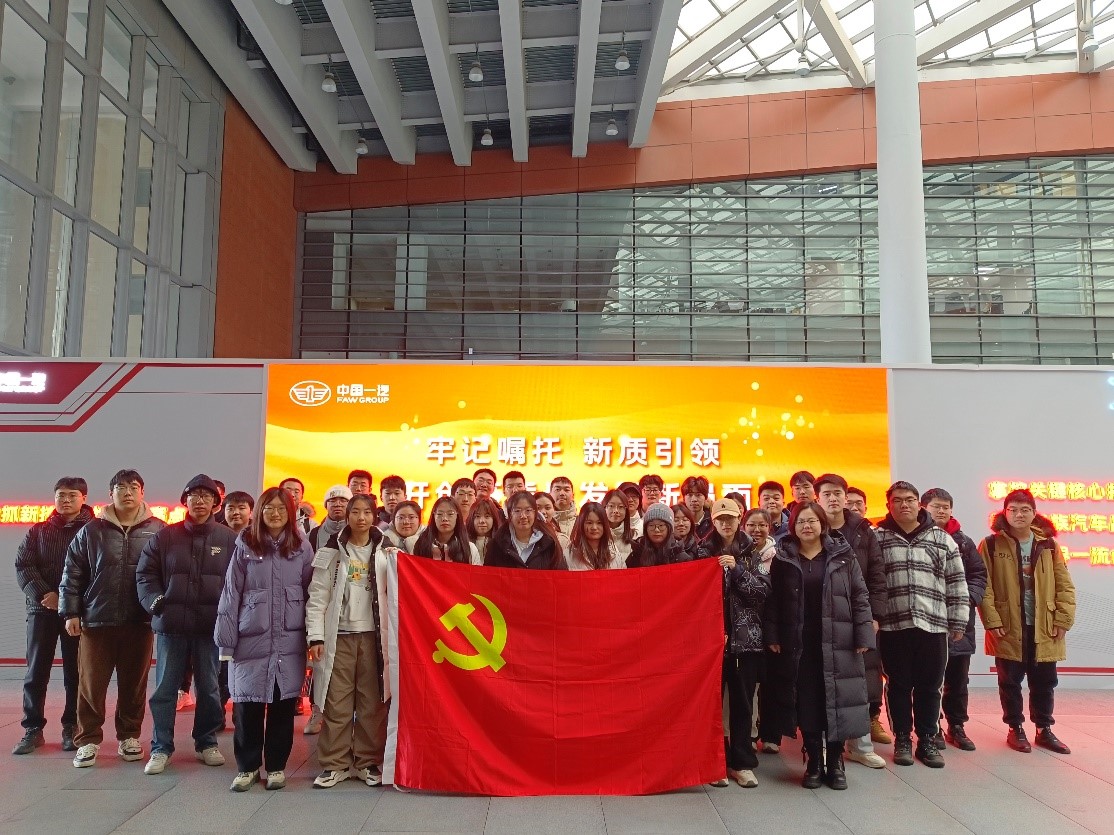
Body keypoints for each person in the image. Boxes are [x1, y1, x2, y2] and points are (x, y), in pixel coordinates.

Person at [764, 502, 874, 791]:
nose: (807, 526)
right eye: (801, 521)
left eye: (812, 520)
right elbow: (773, 601)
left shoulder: (842, 555)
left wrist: (864, 635)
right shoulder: (784, 558)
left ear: (823, 524)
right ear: (793, 526)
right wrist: (773, 635)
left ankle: (835, 762)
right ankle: (813, 760)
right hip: (800, 643)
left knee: (837, 701)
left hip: (839, 640)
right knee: (808, 701)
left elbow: (860, 595)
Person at [60, 469, 165, 768]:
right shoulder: (92, 530)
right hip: (97, 620)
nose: (127, 492)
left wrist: (160, 610)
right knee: (91, 685)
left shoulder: (158, 530)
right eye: (121, 487)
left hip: (139, 621)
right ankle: (87, 740)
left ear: (142, 492)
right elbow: (72, 572)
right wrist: (71, 612)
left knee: (134, 685)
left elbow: (165, 573)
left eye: (133, 487)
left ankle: (129, 736)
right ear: (111, 494)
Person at [215, 487, 314, 792]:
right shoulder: (245, 545)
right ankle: (247, 768)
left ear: (291, 513)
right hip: (250, 640)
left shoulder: (302, 547)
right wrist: (226, 641)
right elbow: (231, 594)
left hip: (288, 641)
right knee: (248, 706)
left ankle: (276, 767)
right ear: (259, 512)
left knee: (283, 705)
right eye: (269, 508)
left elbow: (312, 594)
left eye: (281, 508)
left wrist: (313, 639)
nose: (275, 514)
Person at [136, 474, 236, 775]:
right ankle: (161, 747)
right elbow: (145, 574)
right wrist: (156, 602)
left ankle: (206, 742)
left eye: (207, 496)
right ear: (185, 501)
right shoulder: (165, 537)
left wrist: (230, 615)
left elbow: (239, 581)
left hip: (210, 627)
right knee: (165, 689)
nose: (200, 501)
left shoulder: (229, 539)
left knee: (209, 689)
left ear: (216, 503)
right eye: (194, 496)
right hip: (172, 626)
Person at [874, 481, 969, 769]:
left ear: (919, 504)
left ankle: (927, 739)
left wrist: (958, 619)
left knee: (931, 686)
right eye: (897, 500)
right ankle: (902, 739)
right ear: (889, 505)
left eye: (909, 499)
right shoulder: (878, 538)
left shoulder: (941, 538)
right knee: (898, 685)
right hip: (893, 625)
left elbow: (956, 581)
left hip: (933, 624)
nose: (904, 504)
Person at [978, 489, 1075, 756]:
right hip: (1008, 624)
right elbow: (983, 585)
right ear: (1004, 512)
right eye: (1013, 510)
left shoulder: (1049, 544)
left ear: (1034, 513)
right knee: (1009, 681)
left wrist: (1063, 619)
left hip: (1044, 623)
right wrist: (992, 619)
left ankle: (1044, 729)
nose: (1018, 515)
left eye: (1024, 510)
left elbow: (1064, 584)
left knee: (1045, 681)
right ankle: (1015, 728)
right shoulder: (991, 544)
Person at [306, 494, 387, 788]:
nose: (361, 518)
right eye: (355, 512)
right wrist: (315, 636)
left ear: (374, 516)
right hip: (338, 637)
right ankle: (335, 764)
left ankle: (367, 762)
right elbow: (317, 597)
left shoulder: (387, 553)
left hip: (373, 638)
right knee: (336, 702)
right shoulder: (331, 552)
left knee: (371, 703)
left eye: (367, 512)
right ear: (347, 516)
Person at [13, 477, 94, 755]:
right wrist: (44, 594)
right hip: (42, 610)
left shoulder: (94, 531)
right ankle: (32, 728)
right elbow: (23, 565)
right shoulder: (38, 531)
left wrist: (69, 601)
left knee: (75, 672)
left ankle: (71, 726)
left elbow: (98, 571)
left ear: (84, 498)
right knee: (36, 671)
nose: (66, 500)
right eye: (61, 495)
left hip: (77, 613)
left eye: (72, 495)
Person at [813, 473, 889, 767]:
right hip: (820, 618)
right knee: (822, 684)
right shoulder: (811, 526)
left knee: (857, 684)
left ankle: (859, 745)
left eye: (838, 493)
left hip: (856, 616)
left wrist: (875, 616)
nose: (833, 498)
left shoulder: (862, 531)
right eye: (827, 494)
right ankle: (822, 746)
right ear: (818, 499)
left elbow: (877, 576)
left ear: (846, 497)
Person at [696, 499, 767, 789]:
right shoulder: (701, 553)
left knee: (742, 704)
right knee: (710, 705)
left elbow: (761, 592)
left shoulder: (752, 553)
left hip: (745, 642)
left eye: (731, 518)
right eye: (721, 519)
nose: (726, 524)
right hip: (709, 643)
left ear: (740, 519)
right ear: (713, 522)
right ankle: (713, 763)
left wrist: (736, 570)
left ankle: (741, 763)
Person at [921, 488, 988, 752]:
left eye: (946, 507)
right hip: (927, 619)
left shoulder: (964, 542)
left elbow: (978, 575)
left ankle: (957, 726)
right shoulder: (918, 538)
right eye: (936, 506)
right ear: (923, 508)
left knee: (958, 680)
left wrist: (967, 598)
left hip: (959, 622)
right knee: (929, 679)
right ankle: (932, 726)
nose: (941, 511)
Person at [483, 491, 567, 570]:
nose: (523, 516)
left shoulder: (550, 543)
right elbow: (489, 576)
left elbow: (561, 576)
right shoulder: (497, 544)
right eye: (517, 511)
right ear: (509, 514)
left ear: (535, 513)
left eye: (528, 510)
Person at [412, 496, 479, 564]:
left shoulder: (468, 548)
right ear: (434, 516)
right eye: (439, 514)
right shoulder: (421, 545)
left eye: (450, 514)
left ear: (457, 516)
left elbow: (476, 570)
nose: (444, 518)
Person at [626, 504, 692, 568]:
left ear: (669, 528)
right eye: (651, 525)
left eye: (661, 525)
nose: (656, 530)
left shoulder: (682, 559)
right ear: (646, 529)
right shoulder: (636, 556)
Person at [567, 502, 621, 570]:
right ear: (581, 524)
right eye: (589, 523)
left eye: (599, 523)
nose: (594, 527)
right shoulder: (570, 553)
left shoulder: (613, 551)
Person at [309, 486, 352, 552]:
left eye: (343, 500)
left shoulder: (360, 533)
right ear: (326, 505)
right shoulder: (312, 535)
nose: (337, 504)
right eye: (332, 500)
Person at [534, 491, 571, 559]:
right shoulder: (522, 537)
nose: (543, 512)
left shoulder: (562, 540)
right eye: (538, 508)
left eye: (547, 508)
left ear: (554, 509)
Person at [602, 489, 635, 564]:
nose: (616, 511)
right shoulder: (596, 536)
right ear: (604, 507)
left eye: (620, 507)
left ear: (626, 510)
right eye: (611, 506)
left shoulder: (634, 536)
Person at [467, 497, 503, 563]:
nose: (482, 521)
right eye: (477, 516)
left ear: (494, 518)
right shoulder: (465, 543)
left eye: (487, 516)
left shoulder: (501, 544)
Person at [681, 476, 712, 541]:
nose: (694, 499)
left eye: (698, 495)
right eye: (690, 495)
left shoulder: (713, 522)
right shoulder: (679, 522)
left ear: (706, 497)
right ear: (684, 498)